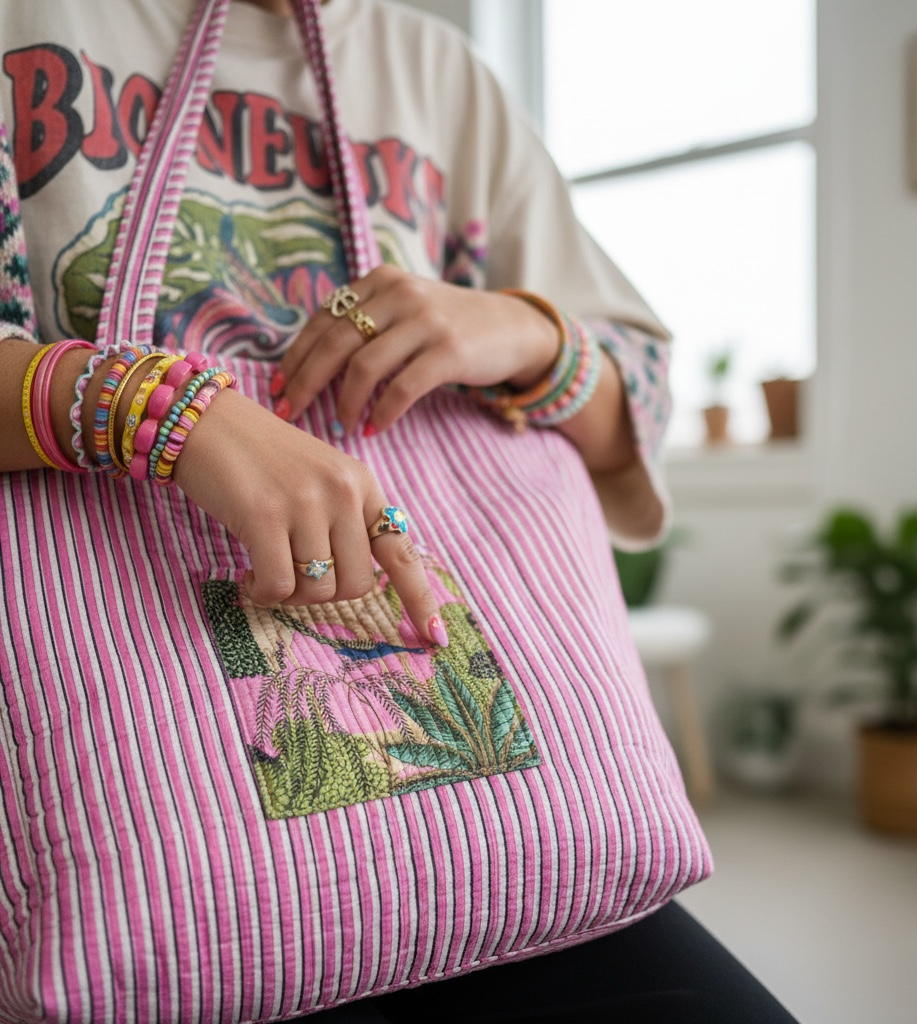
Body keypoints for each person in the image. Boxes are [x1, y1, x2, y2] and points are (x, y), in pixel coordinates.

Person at [0, 1, 798, 1021]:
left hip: (509, 816)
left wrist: (524, 330)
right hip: (151, 812)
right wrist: (148, 409)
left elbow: (634, 400)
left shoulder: (437, 73)